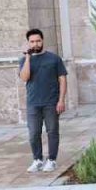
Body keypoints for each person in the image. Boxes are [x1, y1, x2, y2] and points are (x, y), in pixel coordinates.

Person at [18, 28, 68, 173]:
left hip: (51, 102)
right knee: (33, 133)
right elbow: (24, 78)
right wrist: (28, 58)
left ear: (42, 40)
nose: (35, 44)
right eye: (32, 41)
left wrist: (61, 100)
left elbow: (63, 80)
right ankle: (38, 160)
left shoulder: (54, 59)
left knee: (52, 131)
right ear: (28, 43)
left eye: (38, 40)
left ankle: (51, 160)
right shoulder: (24, 60)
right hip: (33, 103)